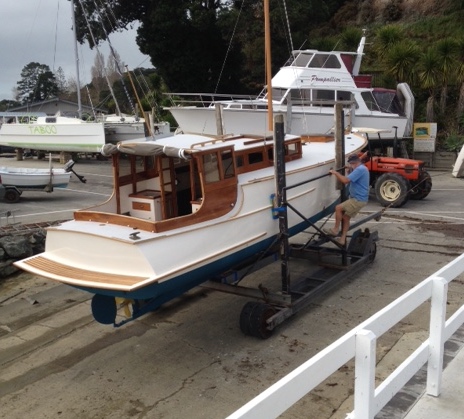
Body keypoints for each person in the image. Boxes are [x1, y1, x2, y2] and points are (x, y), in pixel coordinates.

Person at [325, 154, 369, 245]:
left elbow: (345, 181)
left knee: (338, 208)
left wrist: (335, 173)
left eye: (351, 164)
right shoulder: (362, 168)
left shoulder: (359, 170)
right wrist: (349, 169)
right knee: (345, 218)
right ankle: (342, 239)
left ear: (354, 163)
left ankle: (335, 230)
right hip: (361, 199)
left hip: (358, 199)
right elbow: (353, 176)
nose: (351, 166)